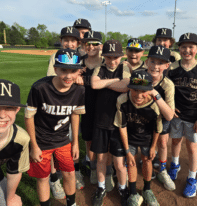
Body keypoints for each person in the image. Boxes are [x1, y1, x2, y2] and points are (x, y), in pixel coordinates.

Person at [25, 49, 85, 206]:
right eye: (63, 70)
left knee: (70, 173)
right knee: (43, 177)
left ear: (79, 71)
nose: (68, 75)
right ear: (56, 68)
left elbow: (74, 114)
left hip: (63, 140)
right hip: (41, 141)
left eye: (73, 71)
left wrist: (75, 142)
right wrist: (34, 146)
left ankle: (71, 204)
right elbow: (29, 116)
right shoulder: (39, 88)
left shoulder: (79, 90)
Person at [167, 33, 197, 198]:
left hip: (194, 117)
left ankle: (192, 178)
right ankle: (174, 164)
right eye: (183, 47)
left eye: (191, 47)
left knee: (192, 147)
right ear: (179, 49)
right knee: (175, 141)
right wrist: (170, 108)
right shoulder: (172, 68)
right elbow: (166, 89)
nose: (187, 50)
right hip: (176, 115)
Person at [113, 70, 173, 206]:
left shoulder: (154, 105)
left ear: (150, 90)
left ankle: (147, 190)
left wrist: (153, 147)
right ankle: (133, 192)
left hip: (147, 137)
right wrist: (127, 151)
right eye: (135, 90)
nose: (139, 95)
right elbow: (122, 126)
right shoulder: (122, 100)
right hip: (130, 135)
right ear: (129, 88)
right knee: (132, 162)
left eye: (143, 91)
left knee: (147, 160)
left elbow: (157, 129)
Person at [90, 39, 131, 206]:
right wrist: (114, 82)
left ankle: (122, 188)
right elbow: (94, 84)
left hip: (118, 123)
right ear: (103, 57)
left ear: (121, 57)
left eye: (115, 57)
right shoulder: (100, 67)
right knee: (101, 159)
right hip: (100, 121)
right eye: (108, 57)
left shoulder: (125, 67)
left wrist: (104, 84)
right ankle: (101, 188)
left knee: (119, 162)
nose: (112, 61)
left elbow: (126, 85)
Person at [145, 46, 176, 191]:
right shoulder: (140, 77)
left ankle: (162, 169)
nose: (155, 66)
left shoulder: (167, 84)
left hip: (160, 117)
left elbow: (169, 115)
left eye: (160, 63)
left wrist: (154, 93)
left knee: (162, 142)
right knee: (142, 141)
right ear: (146, 62)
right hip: (143, 117)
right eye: (152, 61)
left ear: (167, 66)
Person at [79, 31, 104, 185]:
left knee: (103, 140)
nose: (91, 46)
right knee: (88, 139)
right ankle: (92, 166)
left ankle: (106, 168)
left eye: (95, 43)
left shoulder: (106, 61)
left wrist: (84, 80)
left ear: (100, 45)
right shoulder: (79, 62)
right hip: (84, 105)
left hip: (103, 107)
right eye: (88, 43)